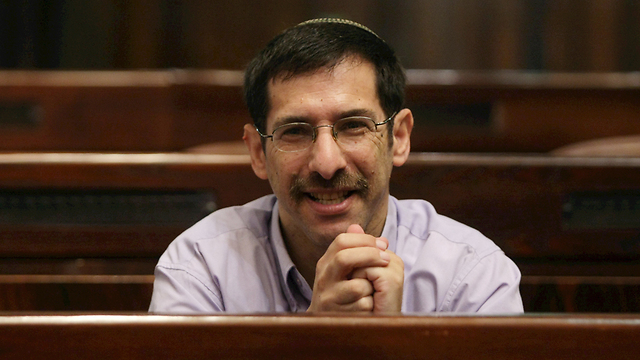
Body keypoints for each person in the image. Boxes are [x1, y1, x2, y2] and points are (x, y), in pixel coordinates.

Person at [149, 18, 524, 314]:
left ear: (400, 137)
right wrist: (314, 339)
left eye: (354, 127)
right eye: (295, 132)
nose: (327, 164)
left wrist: (395, 344)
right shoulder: (201, 267)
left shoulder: (472, 276)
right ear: (258, 153)